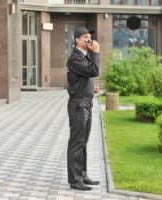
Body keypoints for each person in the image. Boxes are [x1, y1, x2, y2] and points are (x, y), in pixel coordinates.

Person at [66, 27, 100, 191]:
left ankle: (83, 174)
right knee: (77, 142)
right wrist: (96, 52)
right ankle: (75, 180)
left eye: (90, 37)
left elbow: (84, 78)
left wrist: (90, 88)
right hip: (79, 105)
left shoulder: (83, 57)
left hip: (86, 102)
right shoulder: (75, 58)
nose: (89, 40)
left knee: (83, 141)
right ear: (77, 40)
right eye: (86, 37)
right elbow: (94, 71)